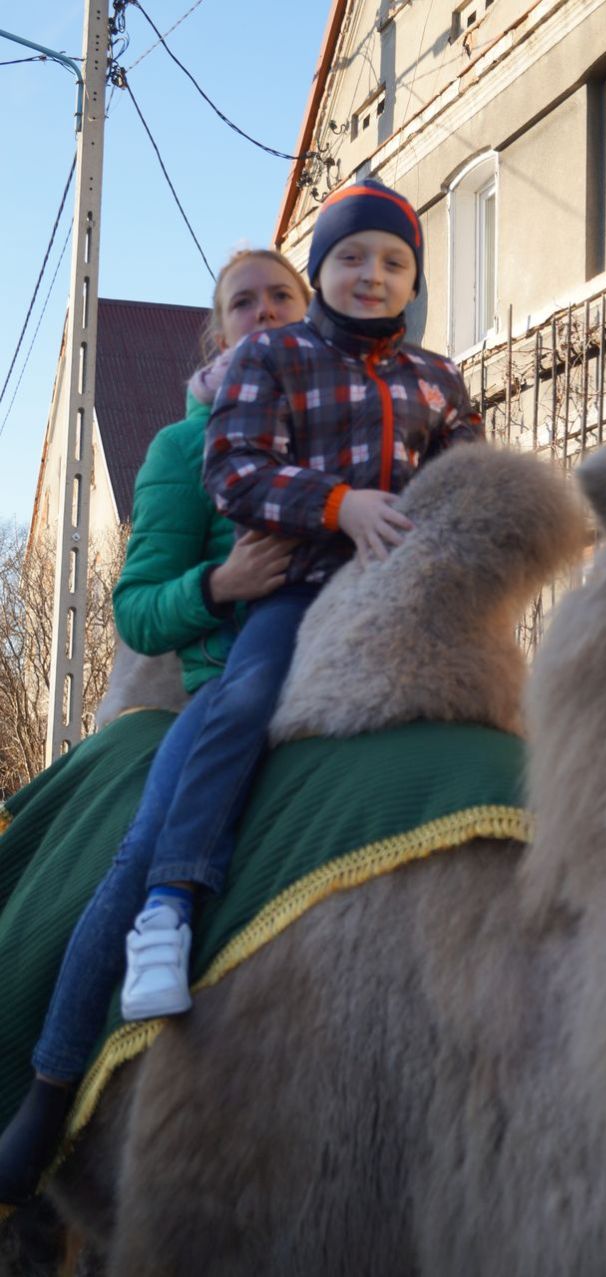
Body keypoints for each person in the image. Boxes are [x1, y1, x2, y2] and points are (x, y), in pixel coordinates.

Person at [115, 178, 484, 1024]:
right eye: (349, 257)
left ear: (413, 280)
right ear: (323, 273)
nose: (371, 274)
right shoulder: (266, 371)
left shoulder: (438, 378)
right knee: (242, 703)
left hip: (403, 588)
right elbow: (235, 470)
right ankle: (166, 905)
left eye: (393, 261)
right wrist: (336, 507)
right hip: (296, 588)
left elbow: (465, 476)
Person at [0, 248, 309, 1205]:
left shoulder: (343, 422)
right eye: (243, 302)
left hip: (350, 671)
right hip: (225, 681)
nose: (265, 312)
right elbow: (138, 610)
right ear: (218, 332)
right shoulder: (185, 446)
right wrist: (224, 581)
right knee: (146, 851)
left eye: (282, 297)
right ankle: (49, 1092)